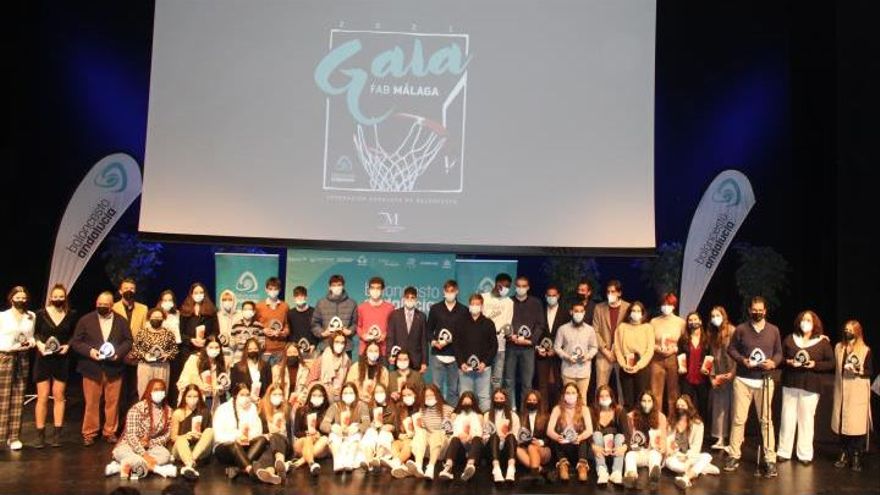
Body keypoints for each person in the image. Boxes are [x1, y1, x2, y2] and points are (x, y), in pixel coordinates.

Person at [724, 296, 782, 477]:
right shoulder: (741, 329)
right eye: (754, 310)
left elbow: (779, 353)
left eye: (760, 310)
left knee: (766, 421)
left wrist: (773, 363)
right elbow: (731, 349)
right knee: (738, 419)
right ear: (749, 310)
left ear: (765, 311)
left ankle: (770, 459)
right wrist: (742, 360)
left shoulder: (773, 330)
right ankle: (734, 455)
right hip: (743, 380)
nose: (757, 312)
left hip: (764, 381)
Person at [71, 291, 133, 446]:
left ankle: (110, 432)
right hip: (92, 368)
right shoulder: (86, 320)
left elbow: (128, 341)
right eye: (100, 304)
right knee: (91, 403)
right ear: (96, 304)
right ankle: (89, 433)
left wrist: (118, 354)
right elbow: (76, 342)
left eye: (105, 305)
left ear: (112, 306)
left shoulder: (121, 321)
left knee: (112, 402)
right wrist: (90, 352)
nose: (102, 307)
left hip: (114, 368)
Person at [777, 310, 834, 464]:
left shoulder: (822, 342)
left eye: (808, 320)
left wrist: (815, 364)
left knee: (806, 420)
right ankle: (784, 451)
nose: (805, 322)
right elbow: (779, 358)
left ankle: (805, 454)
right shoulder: (790, 339)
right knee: (787, 418)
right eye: (803, 319)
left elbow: (831, 363)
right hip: (791, 383)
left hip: (810, 386)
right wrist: (788, 362)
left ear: (815, 323)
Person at [104, 378, 178, 479]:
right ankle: (157, 469)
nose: (159, 392)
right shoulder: (137, 408)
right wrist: (144, 455)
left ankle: (120, 467)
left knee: (165, 455)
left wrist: (150, 443)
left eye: (161, 390)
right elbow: (131, 436)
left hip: (152, 447)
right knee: (128, 455)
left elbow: (167, 434)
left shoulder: (168, 411)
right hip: (130, 445)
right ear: (149, 391)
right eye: (156, 390)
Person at [32, 283, 77, 448]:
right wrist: (40, 345)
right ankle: (40, 435)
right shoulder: (41, 314)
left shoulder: (71, 314)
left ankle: (57, 435)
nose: (58, 299)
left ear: (65, 298)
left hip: (61, 359)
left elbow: (74, 334)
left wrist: (68, 345)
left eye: (61, 296)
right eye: (55, 296)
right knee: (43, 396)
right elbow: (35, 333)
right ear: (50, 297)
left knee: (59, 395)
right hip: (44, 358)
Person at [831, 319, 873, 472]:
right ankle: (843, 452)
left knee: (856, 425)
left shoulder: (865, 350)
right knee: (842, 422)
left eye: (850, 330)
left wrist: (857, 371)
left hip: (857, 391)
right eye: (846, 329)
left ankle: (856, 454)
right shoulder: (839, 347)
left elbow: (869, 371)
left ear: (857, 332)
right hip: (842, 391)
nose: (847, 332)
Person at [0, 286, 35, 451]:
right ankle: (1, 435)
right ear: (11, 298)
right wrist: (10, 347)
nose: (21, 300)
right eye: (18, 297)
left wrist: (31, 342)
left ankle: (13, 437)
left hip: (22, 357)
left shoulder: (31, 316)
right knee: (3, 397)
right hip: (6, 356)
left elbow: (31, 336)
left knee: (18, 397)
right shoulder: (3, 316)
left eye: (23, 298)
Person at [505, 275, 544, 410]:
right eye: (518, 286)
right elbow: (504, 323)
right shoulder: (508, 302)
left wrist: (530, 341)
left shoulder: (536, 303)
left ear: (528, 287)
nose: (520, 288)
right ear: (515, 287)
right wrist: (509, 336)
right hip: (511, 346)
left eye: (523, 286)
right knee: (508, 381)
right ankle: (509, 411)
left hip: (528, 349)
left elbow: (540, 325)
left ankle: (525, 412)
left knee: (527, 383)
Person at [212, 383, 266, 480]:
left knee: (262, 439)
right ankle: (251, 471)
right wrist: (236, 437)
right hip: (226, 447)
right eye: (242, 395)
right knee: (235, 445)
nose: (245, 398)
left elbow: (258, 431)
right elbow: (218, 436)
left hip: (246, 446)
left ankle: (239, 469)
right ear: (235, 395)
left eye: (247, 395)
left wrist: (248, 438)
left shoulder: (252, 408)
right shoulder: (223, 409)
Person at [665, 394, 719, 489]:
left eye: (683, 405)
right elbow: (667, 442)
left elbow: (696, 447)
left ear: (689, 407)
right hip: (675, 456)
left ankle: (685, 478)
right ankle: (698, 469)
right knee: (674, 465)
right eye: (678, 406)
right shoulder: (671, 422)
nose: (680, 408)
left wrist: (687, 458)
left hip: (690, 456)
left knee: (707, 456)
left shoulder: (698, 424)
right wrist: (674, 453)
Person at [427, 280, 467, 405]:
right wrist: (434, 342)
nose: (450, 293)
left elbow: (464, 333)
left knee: (453, 390)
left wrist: (451, 340)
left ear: (457, 291)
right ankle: (437, 411)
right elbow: (428, 330)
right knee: (436, 388)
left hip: (455, 355)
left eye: (452, 291)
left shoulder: (464, 310)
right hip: (438, 354)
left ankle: (451, 412)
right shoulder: (435, 308)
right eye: (447, 291)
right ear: (444, 292)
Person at [456, 293, 498, 412]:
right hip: (465, 368)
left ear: (482, 306)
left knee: (484, 397)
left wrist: (485, 363)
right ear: (469, 305)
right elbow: (456, 345)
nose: (475, 306)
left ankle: (485, 421)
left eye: (477, 304)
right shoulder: (461, 323)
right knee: (465, 396)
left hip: (483, 368)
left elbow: (494, 346)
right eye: (472, 304)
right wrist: (461, 363)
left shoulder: (489, 323)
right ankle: (465, 419)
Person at [547, 382, 594, 482]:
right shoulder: (557, 409)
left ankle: (582, 467)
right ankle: (563, 466)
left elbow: (589, 430)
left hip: (578, 446)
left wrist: (580, 437)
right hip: (562, 445)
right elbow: (549, 431)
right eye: (568, 393)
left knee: (584, 437)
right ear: (563, 395)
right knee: (557, 435)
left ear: (577, 395)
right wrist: (558, 438)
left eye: (573, 393)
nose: (570, 395)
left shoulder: (584, 409)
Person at [114, 278, 148, 413]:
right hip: (117, 355)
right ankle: (119, 421)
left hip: (135, 356)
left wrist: (137, 351)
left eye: (132, 289)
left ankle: (132, 418)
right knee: (118, 391)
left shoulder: (143, 309)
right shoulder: (113, 307)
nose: (129, 291)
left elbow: (144, 333)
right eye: (126, 288)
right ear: (120, 291)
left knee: (134, 390)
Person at [553, 301, 598, 402]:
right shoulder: (562, 329)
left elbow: (594, 347)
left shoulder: (590, 330)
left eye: (581, 311)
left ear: (584, 313)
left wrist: (587, 356)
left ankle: (582, 413)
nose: (579, 313)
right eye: (576, 311)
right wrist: (567, 357)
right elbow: (557, 347)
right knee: (568, 399)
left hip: (584, 371)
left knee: (582, 399)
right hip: (568, 371)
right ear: (571, 312)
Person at [321, 381, 370, 473]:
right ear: (341, 395)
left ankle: (350, 461)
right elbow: (323, 425)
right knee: (333, 432)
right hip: (339, 439)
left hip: (354, 439)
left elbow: (367, 423)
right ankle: (337, 462)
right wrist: (333, 427)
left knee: (355, 427)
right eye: (345, 393)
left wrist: (357, 427)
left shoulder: (362, 406)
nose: (348, 395)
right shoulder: (335, 406)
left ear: (355, 394)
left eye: (351, 393)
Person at [649, 293, 686, 416]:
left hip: (673, 359)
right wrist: (657, 348)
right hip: (656, 359)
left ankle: (673, 420)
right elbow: (648, 341)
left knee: (673, 392)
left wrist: (675, 349)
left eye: (669, 304)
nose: (666, 307)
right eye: (663, 304)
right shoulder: (654, 321)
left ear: (674, 306)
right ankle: (656, 419)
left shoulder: (680, 322)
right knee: (655, 392)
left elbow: (684, 343)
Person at [406, 384, 453, 479]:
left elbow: (449, 432)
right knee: (421, 432)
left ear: (437, 395)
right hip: (427, 449)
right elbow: (422, 431)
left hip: (442, 446)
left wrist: (444, 428)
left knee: (437, 433)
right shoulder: (422, 410)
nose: (429, 398)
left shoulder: (448, 409)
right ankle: (418, 466)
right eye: (426, 396)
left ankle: (430, 467)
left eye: (431, 395)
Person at [624, 391, 667, 490]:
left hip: (652, 450)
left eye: (649, 401)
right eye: (643, 401)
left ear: (653, 402)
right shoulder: (631, 416)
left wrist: (662, 448)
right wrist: (633, 446)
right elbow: (629, 437)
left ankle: (654, 478)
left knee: (654, 456)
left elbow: (663, 438)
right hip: (639, 451)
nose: (646, 403)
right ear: (639, 402)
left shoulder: (660, 417)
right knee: (630, 455)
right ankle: (631, 476)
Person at [706, 305, 736, 450]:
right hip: (719, 374)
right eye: (712, 316)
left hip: (733, 374)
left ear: (724, 316)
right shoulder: (712, 334)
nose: (715, 318)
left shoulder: (732, 331)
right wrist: (712, 377)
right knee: (719, 407)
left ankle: (734, 440)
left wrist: (733, 373)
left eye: (717, 315)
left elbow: (738, 354)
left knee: (734, 407)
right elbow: (711, 356)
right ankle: (720, 438)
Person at [614, 301, 655, 408]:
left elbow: (650, 350)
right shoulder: (622, 327)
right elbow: (617, 348)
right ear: (629, 313)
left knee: (641, 398)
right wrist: (623, 364)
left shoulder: (648, 328)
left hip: (642, 364)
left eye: (638, 311)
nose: (635, 313)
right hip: (626, 363)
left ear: (642, 313)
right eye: (633, 310)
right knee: (627, 399)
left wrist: (639, 365)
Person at [131, 307, 178, 397]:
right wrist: (144, 355)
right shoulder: (142, 332)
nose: (156, 319)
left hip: (162, 367)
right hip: (145, 366)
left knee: (160, 392)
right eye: (154, 317)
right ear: (149, 318)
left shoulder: (168, 333)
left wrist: (167, 355)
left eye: (159, 317)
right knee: (144, 392)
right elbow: (135, 349)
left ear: (163, 319)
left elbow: (174, 350)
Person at [170, 384, 214, 481]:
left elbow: (207, 437)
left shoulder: (205, 411)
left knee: (210, 431)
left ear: (199, 397)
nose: (192, 399)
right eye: (189, 396)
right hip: (181, 450)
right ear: (184, 397)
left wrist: (200, 436)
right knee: (181, 439)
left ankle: (189, 464)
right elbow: (173, 437)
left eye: (195, 396)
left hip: (199, 450)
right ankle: (190, 464)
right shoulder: (178, 413)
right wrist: (186, 436)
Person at [593, 280, 630, 391]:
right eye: (608, 292)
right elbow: (595, 331)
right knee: (601, 388)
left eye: (613, 292)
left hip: (622, 354)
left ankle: (622, 404)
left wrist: (617, 350)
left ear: (619, 293)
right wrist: (605, 351)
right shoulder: (599, 308)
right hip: (603, 354)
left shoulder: (628, 307)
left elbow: (630, 330)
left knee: (623, 389)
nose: (610, 294)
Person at [438, 391, 484, 482]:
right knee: (454, 439)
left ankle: (469, 466)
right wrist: (460, 435)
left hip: (474, 449)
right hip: (460, 449)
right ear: (461, 403)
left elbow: (480, 431)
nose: (466, 405)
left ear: (473, 403)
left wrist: (470, 436)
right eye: (464, 402)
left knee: (477, 438)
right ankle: (448, 468)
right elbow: (450, 431)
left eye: (469, 403)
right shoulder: (455, 415)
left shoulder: (479, 416)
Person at [252, 383, 292, 484]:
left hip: (284, 444)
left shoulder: (286, 409)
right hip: (269, 444)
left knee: (275, 436)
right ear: (269, 395)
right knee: (269, 448)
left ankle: (280, 460)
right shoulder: (262, 410)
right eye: (274, 394)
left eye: (280, 394)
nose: (277, 397)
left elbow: (289, 433)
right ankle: (270, 474)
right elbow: (261, 430)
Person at [176, 335, 229, 412]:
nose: (214, 350)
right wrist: (200, 387)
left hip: (214, 401)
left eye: (217, 347)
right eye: (211, 347)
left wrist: (222, 387)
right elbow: (182, 382)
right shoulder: (194, 359)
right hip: (196, 400)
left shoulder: (221, 362)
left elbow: (225, 384)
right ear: (205, 348)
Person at [590, 385, 630, 485]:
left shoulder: (619, 411)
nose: (604, 398)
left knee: (620, 436)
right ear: (597, 398)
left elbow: (626, 433)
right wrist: (593, 446)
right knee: (596, 434)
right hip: (599, 451)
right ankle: (602, 471)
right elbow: (588, 434)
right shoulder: (593, 412)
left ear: (612, 397)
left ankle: (616, 472)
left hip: (615, 450)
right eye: (601, 396)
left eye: (607, 396)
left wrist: (624, 447)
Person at [537, 284, 568, 408]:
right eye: (549, 295)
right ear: (545, 296)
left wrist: (557, 350)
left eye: (553, 295)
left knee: (559, 385)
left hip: (559, 355)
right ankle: (543, 413)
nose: (551, 298)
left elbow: (567, 335)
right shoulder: (540, 311)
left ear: (558, 296)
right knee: (542, 385)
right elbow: (536, 331)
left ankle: (558, 411)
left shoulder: (565, 312)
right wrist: (538, 348)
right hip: (542, 354)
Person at [482, 273, 513, 393]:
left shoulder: (509, 302)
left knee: (497, 379)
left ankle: (495, 401)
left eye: (509, 287)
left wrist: (507, 332)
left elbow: (508, 323)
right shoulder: (483, 298)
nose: (506, 289)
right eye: (505, 286)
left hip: (500, 345)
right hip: (484, 344)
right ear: (497, 284)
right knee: (482, 376)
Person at [178, 283, 219, 376]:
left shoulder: (211, 311)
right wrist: (191, 340)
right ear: (191, 294)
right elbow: (180, 333)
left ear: (205, 294)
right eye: (196, 292)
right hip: (187, 350)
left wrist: (206, 341)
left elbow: (215, 332)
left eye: (201, 292)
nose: (198, 295)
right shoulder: (184, 311)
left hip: (206, 349)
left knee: (205, 375)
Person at [311, 274, 357, 355]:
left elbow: (356, 323)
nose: (337, 287)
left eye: (339, 285)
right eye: (334, 285)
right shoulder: (321, 303)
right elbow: (315, 324)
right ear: (330, 287)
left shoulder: (352, 303)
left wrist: (350, 331)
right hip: (326, 346)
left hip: (345, 347)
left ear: (343, 286)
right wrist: (323, 333)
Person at [292, 384, 332, 476]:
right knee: (308, 439)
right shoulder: (301, 410)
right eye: (314, 395)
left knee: (325, 439)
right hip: (303, 444)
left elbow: (330, 431)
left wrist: (319, 434)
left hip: (320, 447)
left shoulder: (328, 412)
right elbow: (296, 432)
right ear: (310, 396)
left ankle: (302, 461)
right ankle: (311, 463)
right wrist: (307, 433)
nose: (317, 398)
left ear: (324, 398)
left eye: (320, 396)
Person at [387, 286, 428, 373]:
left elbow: (424, 341)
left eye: (412, 297)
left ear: (416, 299)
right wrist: (390, 354)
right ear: (403, 298)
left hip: (416, 360)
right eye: (407, 297)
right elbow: (391, 337)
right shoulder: (395, 315)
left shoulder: (421, 316)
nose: (410, 299)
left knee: (415, 382)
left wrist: (424, 362)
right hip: (399, 358)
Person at [360, 382, 397, 472]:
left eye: (381, 392)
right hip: (374, 431)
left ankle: (377, 459)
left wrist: (392, 427)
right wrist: (371, 424)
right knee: (370, 432)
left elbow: (397, 426)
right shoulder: (370, 406)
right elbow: (365, 422)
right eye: (377, 392)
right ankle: (369, 461)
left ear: (386, 393)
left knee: (384, 434)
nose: (379, 394)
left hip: (386, 434)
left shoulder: (393, 406)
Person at [485, 388, 520, 483]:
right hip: (492, 450)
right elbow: (485, 435)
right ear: (493, 400)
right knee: (494, 436)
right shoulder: (487, 415)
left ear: (505, 400)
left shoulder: (513, 415)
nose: (499, 401)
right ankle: (496, 469)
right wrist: (495, 436)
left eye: (501, 398)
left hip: (507, 449)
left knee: (511, 436)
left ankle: (511, 468)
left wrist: (507, 435)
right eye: (496, 398)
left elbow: (517, 435)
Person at [680, 312, 710, 420]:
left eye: (695, 319)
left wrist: (708, 369)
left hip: (703, 378)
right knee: (686, 406)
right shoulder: (683, 339)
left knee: (703, 406)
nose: (693, 322)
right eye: (690, 320)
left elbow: (710, 356)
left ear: (700, 321)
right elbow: (680, 355)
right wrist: (681, 367)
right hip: (687, 378)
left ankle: (701, 427)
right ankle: (686, 426)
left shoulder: (707, 339)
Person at [515, 389, 551, 479]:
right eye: (529, 400)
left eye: (534, 400)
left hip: (543, 449)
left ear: (539, 402)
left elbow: (550, 437)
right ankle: (539, 471)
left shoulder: (546, 416)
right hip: (526, 448)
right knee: (517, 450)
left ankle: (535, 475)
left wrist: (540, 442)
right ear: (525, 401)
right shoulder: (520, 416)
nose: (532, 402)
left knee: (532, 447)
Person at [307, 332, 352, 402]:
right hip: (323, 395)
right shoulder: (321, 360)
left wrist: (342, 389)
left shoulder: (347, 361)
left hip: (340, 395)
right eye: (337, 342)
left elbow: (348, 381)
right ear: (331, 343)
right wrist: (327, 389)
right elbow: (310, 382)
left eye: (342, 343)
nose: (340, 345)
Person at [255, 277, 289, 365]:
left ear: (279, 290)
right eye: (270, 289)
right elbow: (254, 325)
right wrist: (263, 330)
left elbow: (287, 326)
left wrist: (282, 333)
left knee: (278, 373)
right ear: (266, 289)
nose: (273, 291)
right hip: (264, 349)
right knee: (265, 373)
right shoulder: (259, 306)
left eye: (275, 289)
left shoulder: (285, 306)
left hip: (281, 349)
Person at [356, 276, 394, 356]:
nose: (375, 290)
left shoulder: (390, 308)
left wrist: (384, 335)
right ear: (369, 290)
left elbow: (392, 328)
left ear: (382, 290)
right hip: (365, 350)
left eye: (378, 288)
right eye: (372, 288)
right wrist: (363, 336)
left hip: (383, 350)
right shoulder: (361, 307)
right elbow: (358, 326)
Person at [389, 383, 421, 478]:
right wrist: (399, 435)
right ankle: (400, 466)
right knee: (394, 445)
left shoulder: (420, 408)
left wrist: (412, 435)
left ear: (415, 394)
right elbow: (395, 427)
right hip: (403, 438)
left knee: (407, 443)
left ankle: (396, 463)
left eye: (409, 394)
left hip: (416, 439)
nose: (407, 397)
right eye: (404, 395)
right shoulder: (400, 407)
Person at [272, 342, 310, 409]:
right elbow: (275, 388)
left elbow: (305, 389)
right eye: (289, 352)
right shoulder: (277, 369)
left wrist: (298, 400)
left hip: (298, 402)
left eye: (295, 352)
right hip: (282, 402)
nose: (292, 354)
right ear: (285, 354)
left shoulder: (305, 370)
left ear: (298, 354)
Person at [287, 286, 318, 365]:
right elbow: (290, 332)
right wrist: (292, 347)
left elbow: (317, 330)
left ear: (306, 297)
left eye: (302, 296)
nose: (299, 298)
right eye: (297, 296)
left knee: (311, 371)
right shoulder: (290, 313)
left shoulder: (314, 312)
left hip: (311, 350)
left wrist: (314, 344)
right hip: (295, 351)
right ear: (294, 298)